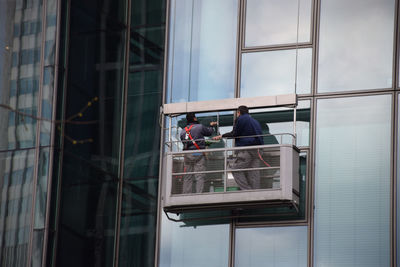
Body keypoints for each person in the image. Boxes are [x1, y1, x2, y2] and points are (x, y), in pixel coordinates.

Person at [213, 106, 263, 190]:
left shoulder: (241, 119)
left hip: (246, 149)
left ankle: (247, 190)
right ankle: (255, 192)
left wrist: (221, 136)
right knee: (253, 173)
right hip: (257, 150)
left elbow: (234, 133)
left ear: (239, 112)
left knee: (236, 170)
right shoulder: (255, 121)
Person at [180, 112, 217, 193]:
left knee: (188, 176)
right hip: (197, 153)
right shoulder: (199, 127)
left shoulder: (183, 131)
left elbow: (184, 142)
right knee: (199, 175)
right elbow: (209, 132)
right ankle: (198, 194)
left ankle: (186, 194)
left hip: (187, 155)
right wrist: (211, 125)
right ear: (194, 118)